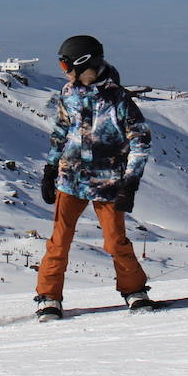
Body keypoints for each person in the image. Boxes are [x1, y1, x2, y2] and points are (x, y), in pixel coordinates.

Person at [33, 35, 154, 320]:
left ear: (83, 62)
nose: (63, 70)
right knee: (59, 241)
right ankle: (49, 297)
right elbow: (61, 130)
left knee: (115, 242)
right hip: (71, 180)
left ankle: (134, 291)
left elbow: (140, 141)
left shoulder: (118, 99)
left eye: (66, 64)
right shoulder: (68, 92)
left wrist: (130, 183)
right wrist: (50, 170)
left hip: (107, 182)